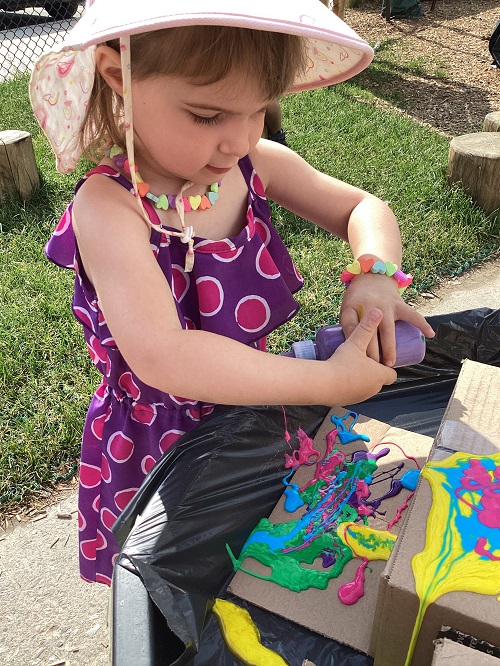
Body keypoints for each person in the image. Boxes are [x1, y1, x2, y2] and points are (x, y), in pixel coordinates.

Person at [30, 0, 434, 586]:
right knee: (178, 577)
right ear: (122, 78)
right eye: (207, 115)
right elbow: (166, 356)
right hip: (160, 443)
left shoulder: (255, 166)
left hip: (257, 410)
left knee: (262, 562)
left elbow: (362, 207)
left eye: (257, 111)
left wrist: (374, 274)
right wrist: (328, 383)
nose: (238, 141)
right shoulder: (111, 209)